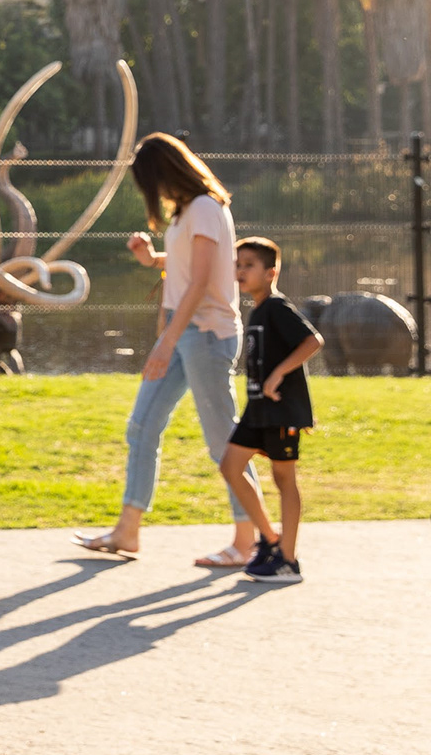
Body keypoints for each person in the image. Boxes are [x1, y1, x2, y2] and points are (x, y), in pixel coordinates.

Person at [76, 130, 253, 564]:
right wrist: (150, 259)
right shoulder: (188, 211)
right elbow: (189, 267)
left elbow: (200, 281)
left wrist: (164, 343)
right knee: (142, 425)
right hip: (181, 329)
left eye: (151, 182)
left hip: (206, 334)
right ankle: (127, 531)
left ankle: (248, 542)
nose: (153, 193)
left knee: (221, 440)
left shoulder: (207, 209)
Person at [220, 238, 323, 585]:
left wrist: (279, 373)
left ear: (271, 272)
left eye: (248, 265)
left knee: (284, 480)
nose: (240, 271)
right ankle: (269, 539)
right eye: (238, 264)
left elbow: (312, 341)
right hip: (258, 410)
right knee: (231, 466)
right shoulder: (258, 309)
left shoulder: (278, 307)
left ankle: (288, 561)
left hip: (281, 411)